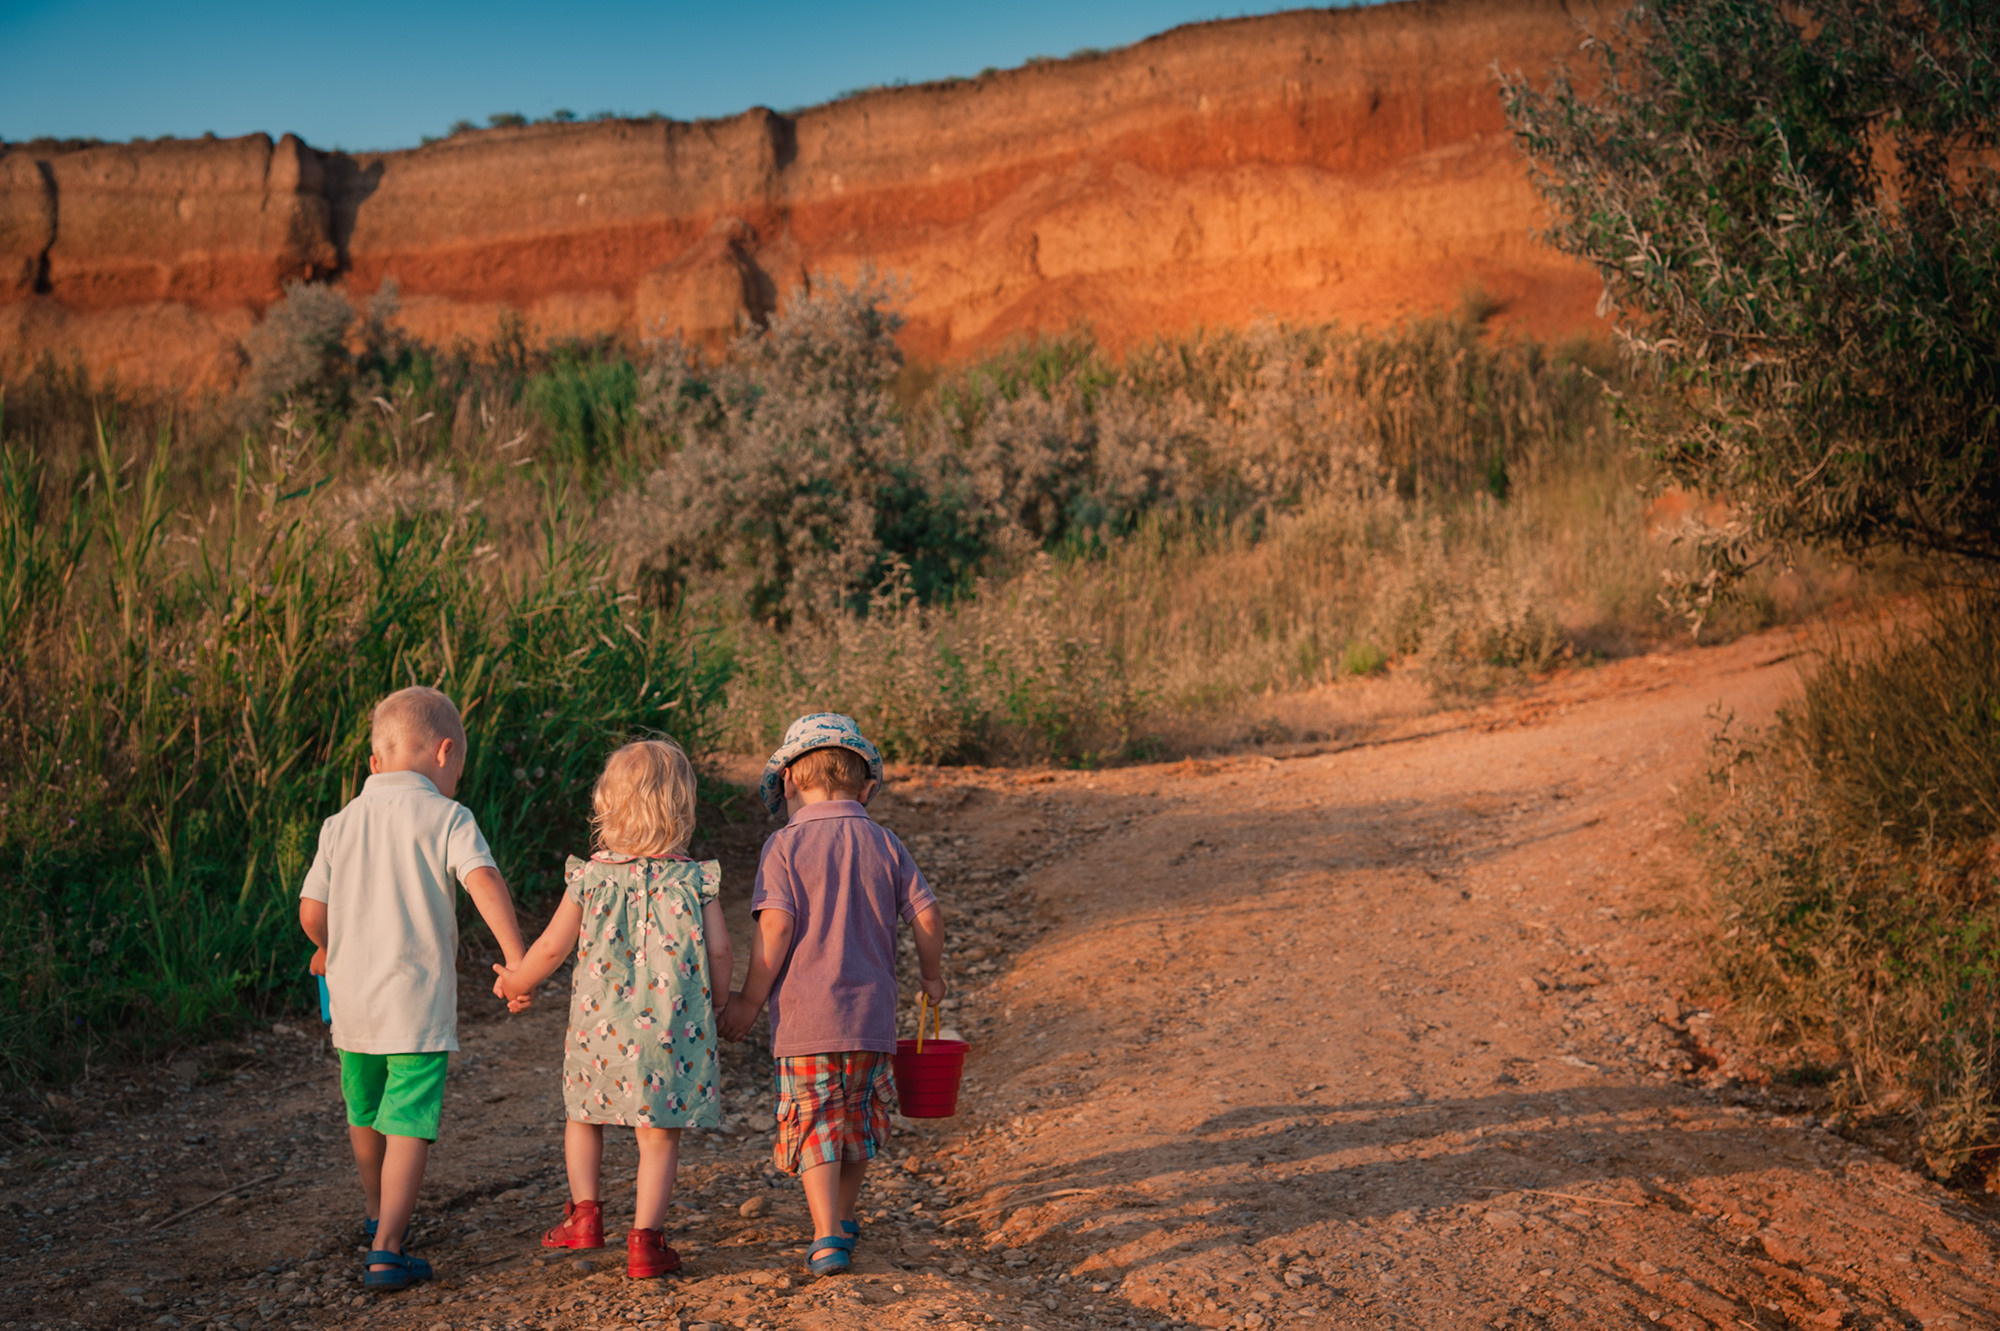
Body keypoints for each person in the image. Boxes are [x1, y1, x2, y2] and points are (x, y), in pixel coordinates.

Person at [298, 686, 528, 1291]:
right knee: (409, 1119)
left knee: (365, 1109)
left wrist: (324, 948)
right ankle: (388, 1247)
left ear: (376, 761)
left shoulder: (339, 823)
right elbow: (483, 881)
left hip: (351, 1003)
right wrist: (516, 958)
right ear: (445, 753)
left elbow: (311, 910)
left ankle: (377, 1210)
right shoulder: (449, 817)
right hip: (416, 1005)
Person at [718, 713, 946, 1277]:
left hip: (806, 1023)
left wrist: (748, 1001)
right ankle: (843, 1217)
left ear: (789, 781)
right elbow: (927, 914)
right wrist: (932, 977)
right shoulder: (886, 842)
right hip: (872, 1020)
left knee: (816, 1124)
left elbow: (774, 930)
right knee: (858, 1123)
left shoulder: (785, 845)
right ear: (866, 787)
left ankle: (824, 1235)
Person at [494, 738, 731, 1279]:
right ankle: (646, 1242)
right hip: (672, 1027)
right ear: (682, 807)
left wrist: (515, 981)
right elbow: (719, 948)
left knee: (583, 1115)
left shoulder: (592, 877)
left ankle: (584, 1218)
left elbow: (552, 947)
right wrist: (719, 1003)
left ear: (607, 806)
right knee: (659, 1133)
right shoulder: (695, 880)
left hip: (599, 1030)